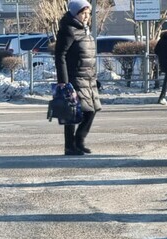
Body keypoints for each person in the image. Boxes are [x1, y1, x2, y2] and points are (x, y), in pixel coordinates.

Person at [54, 0, 101, 156]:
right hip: (74, 77)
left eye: (88, 13)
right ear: (75, 14)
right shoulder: (68, 30)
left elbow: (88, 57)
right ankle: (69, 146)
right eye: (83, 13)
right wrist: (64, 82)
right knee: (72, 112)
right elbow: (60, 55)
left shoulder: (85, 30)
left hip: (88, 78)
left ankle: (79, 141)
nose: (86, 16)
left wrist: (95, 77)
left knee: (92, 110)